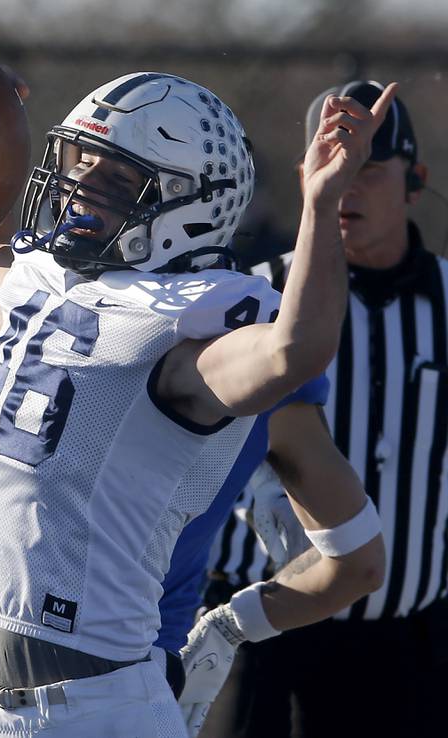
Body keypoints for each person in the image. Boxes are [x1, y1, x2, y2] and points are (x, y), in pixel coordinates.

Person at [0, 37, 392, 738]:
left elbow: (297, 348)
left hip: (94, 708)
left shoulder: (183, 334)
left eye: (111, 183)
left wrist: (320, 203)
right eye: (78, 166)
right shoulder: (38, 284)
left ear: (187, 209)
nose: (76, 192)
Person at [199, 80, 448, 738]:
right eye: (330, 166)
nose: (347, 186)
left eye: (366, 168)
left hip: (408, 642)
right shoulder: (250, 300)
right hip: (262, 629)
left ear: (414, 181)